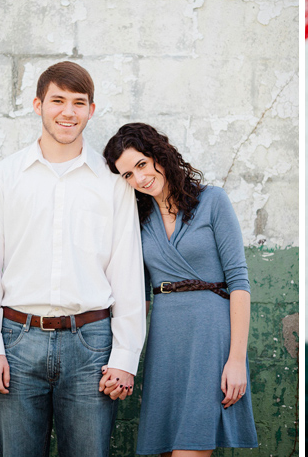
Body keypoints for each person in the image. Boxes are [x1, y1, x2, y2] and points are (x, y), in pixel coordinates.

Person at [0, 61, 146, 457]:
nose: (68, 112)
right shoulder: (4, 177)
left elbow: (127, 271)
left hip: (92, 347)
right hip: (16, 340)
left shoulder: (112, 182)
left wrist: (125, 355)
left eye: (78, 103)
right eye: (58, 101)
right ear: (38, 105)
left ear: (91, 110)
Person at [103, 122, 258, 457]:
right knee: (165, 448)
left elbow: (240, 284)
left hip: (209, 337)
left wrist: (236, 360)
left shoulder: (213, 201)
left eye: (141, 165)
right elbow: (133, 293)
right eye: (128, 175)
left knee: (191, 447)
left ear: (159, 154)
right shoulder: (138, 220)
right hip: (164, 341)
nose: (140, 179)